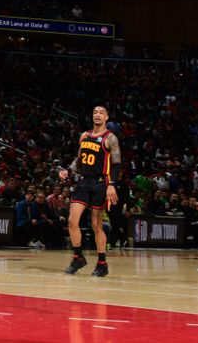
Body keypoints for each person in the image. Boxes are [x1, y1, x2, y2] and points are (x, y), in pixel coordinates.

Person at [58, 105, 121, 277]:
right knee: (72, 220)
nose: (98, 115)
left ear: (107, 117)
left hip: (101, 182)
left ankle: (102, 263)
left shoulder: (111, 138)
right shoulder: (84, 136)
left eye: (101, 113)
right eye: (95, 112)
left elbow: (117, 164)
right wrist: (68, 171)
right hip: (84, 182)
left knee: (96, 224)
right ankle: (78, 256)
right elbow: (79, 160)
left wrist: (112, 184)